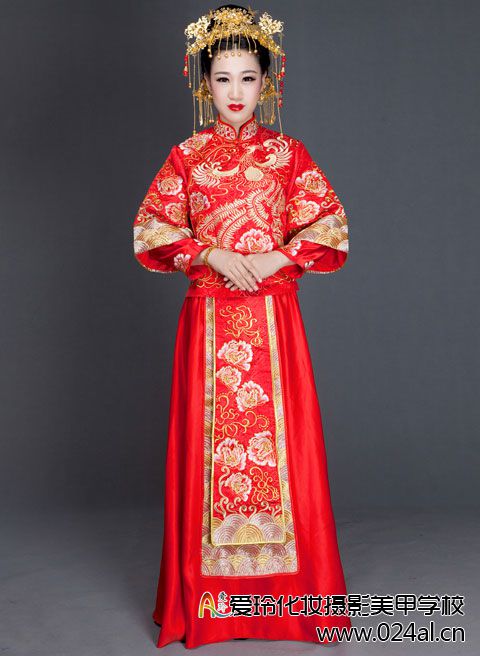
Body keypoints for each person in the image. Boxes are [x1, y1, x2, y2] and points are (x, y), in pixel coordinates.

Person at [133, 4, 351, 649]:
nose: (235, 92)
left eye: (248, 78)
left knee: (287, 455)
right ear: (205, 84)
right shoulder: (186, 157)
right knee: (208, 457)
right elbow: (152, 229)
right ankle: (210, 607)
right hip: (209, 321)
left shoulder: (288, 154)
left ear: (267, 84)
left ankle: (293, 605)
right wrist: (210, 254)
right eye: (223, 78)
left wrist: (275, 257)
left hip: (273, 322)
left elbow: (329, 223)